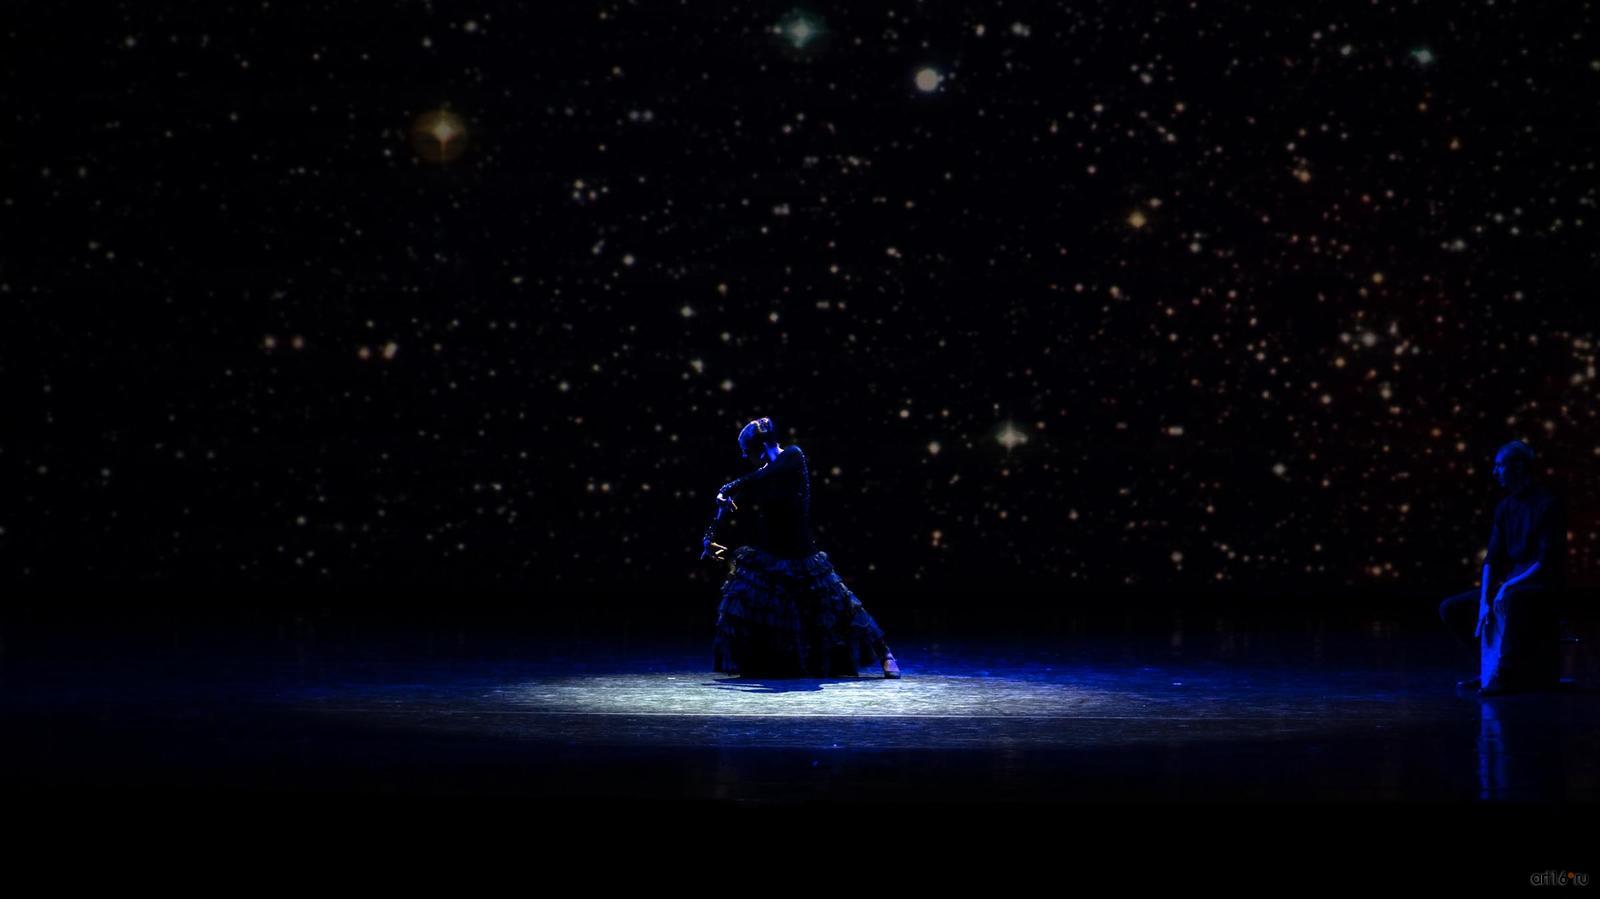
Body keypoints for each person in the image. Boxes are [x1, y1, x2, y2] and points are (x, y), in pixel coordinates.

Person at [700, 416, 901, 678]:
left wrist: (729, 486)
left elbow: (759, 478)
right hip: (771, 554)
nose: (745, 457)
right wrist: (710, 535)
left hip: (802, 553)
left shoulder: (793, 457)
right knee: (747, 604)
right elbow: (726, 506)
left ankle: (885, 653)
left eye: (747, 451)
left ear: (761, 447)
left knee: (842, 604)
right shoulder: (761, 474)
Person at [1437, 440, 1567, 694]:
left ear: (1518, 467)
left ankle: (1504, 676)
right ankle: (1488, 670)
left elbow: (1545, 560)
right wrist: (1484, 600)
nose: (1494, 472)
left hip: (1540, 584)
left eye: (1500, 465)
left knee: (1513, 598)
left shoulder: (1548, 505)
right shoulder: (1504, 507)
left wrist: (1507, 586)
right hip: (1511, 585)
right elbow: (1492, 558)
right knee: (1451, 608)